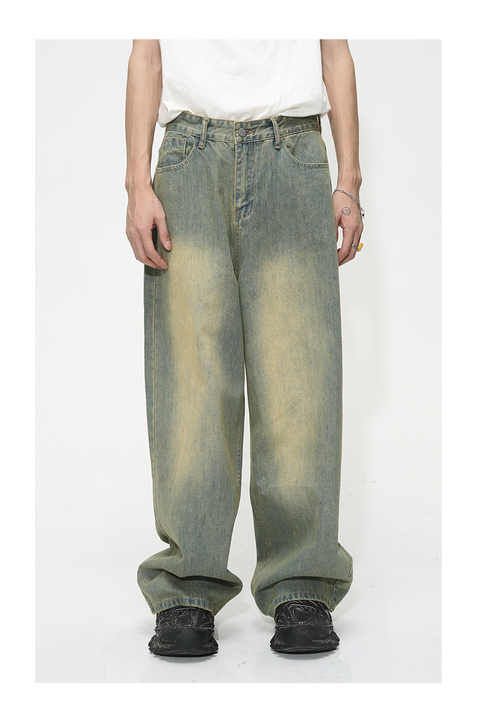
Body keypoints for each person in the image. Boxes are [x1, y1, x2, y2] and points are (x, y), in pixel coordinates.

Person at [125, 39, 363, 657]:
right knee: (191, 381)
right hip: (189, 157)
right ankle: (186, 589)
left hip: (294, 153)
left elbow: (335, 52)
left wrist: (349, 181)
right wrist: (136, 184)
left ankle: (301, 583)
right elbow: (147, 55)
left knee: (299, 378)